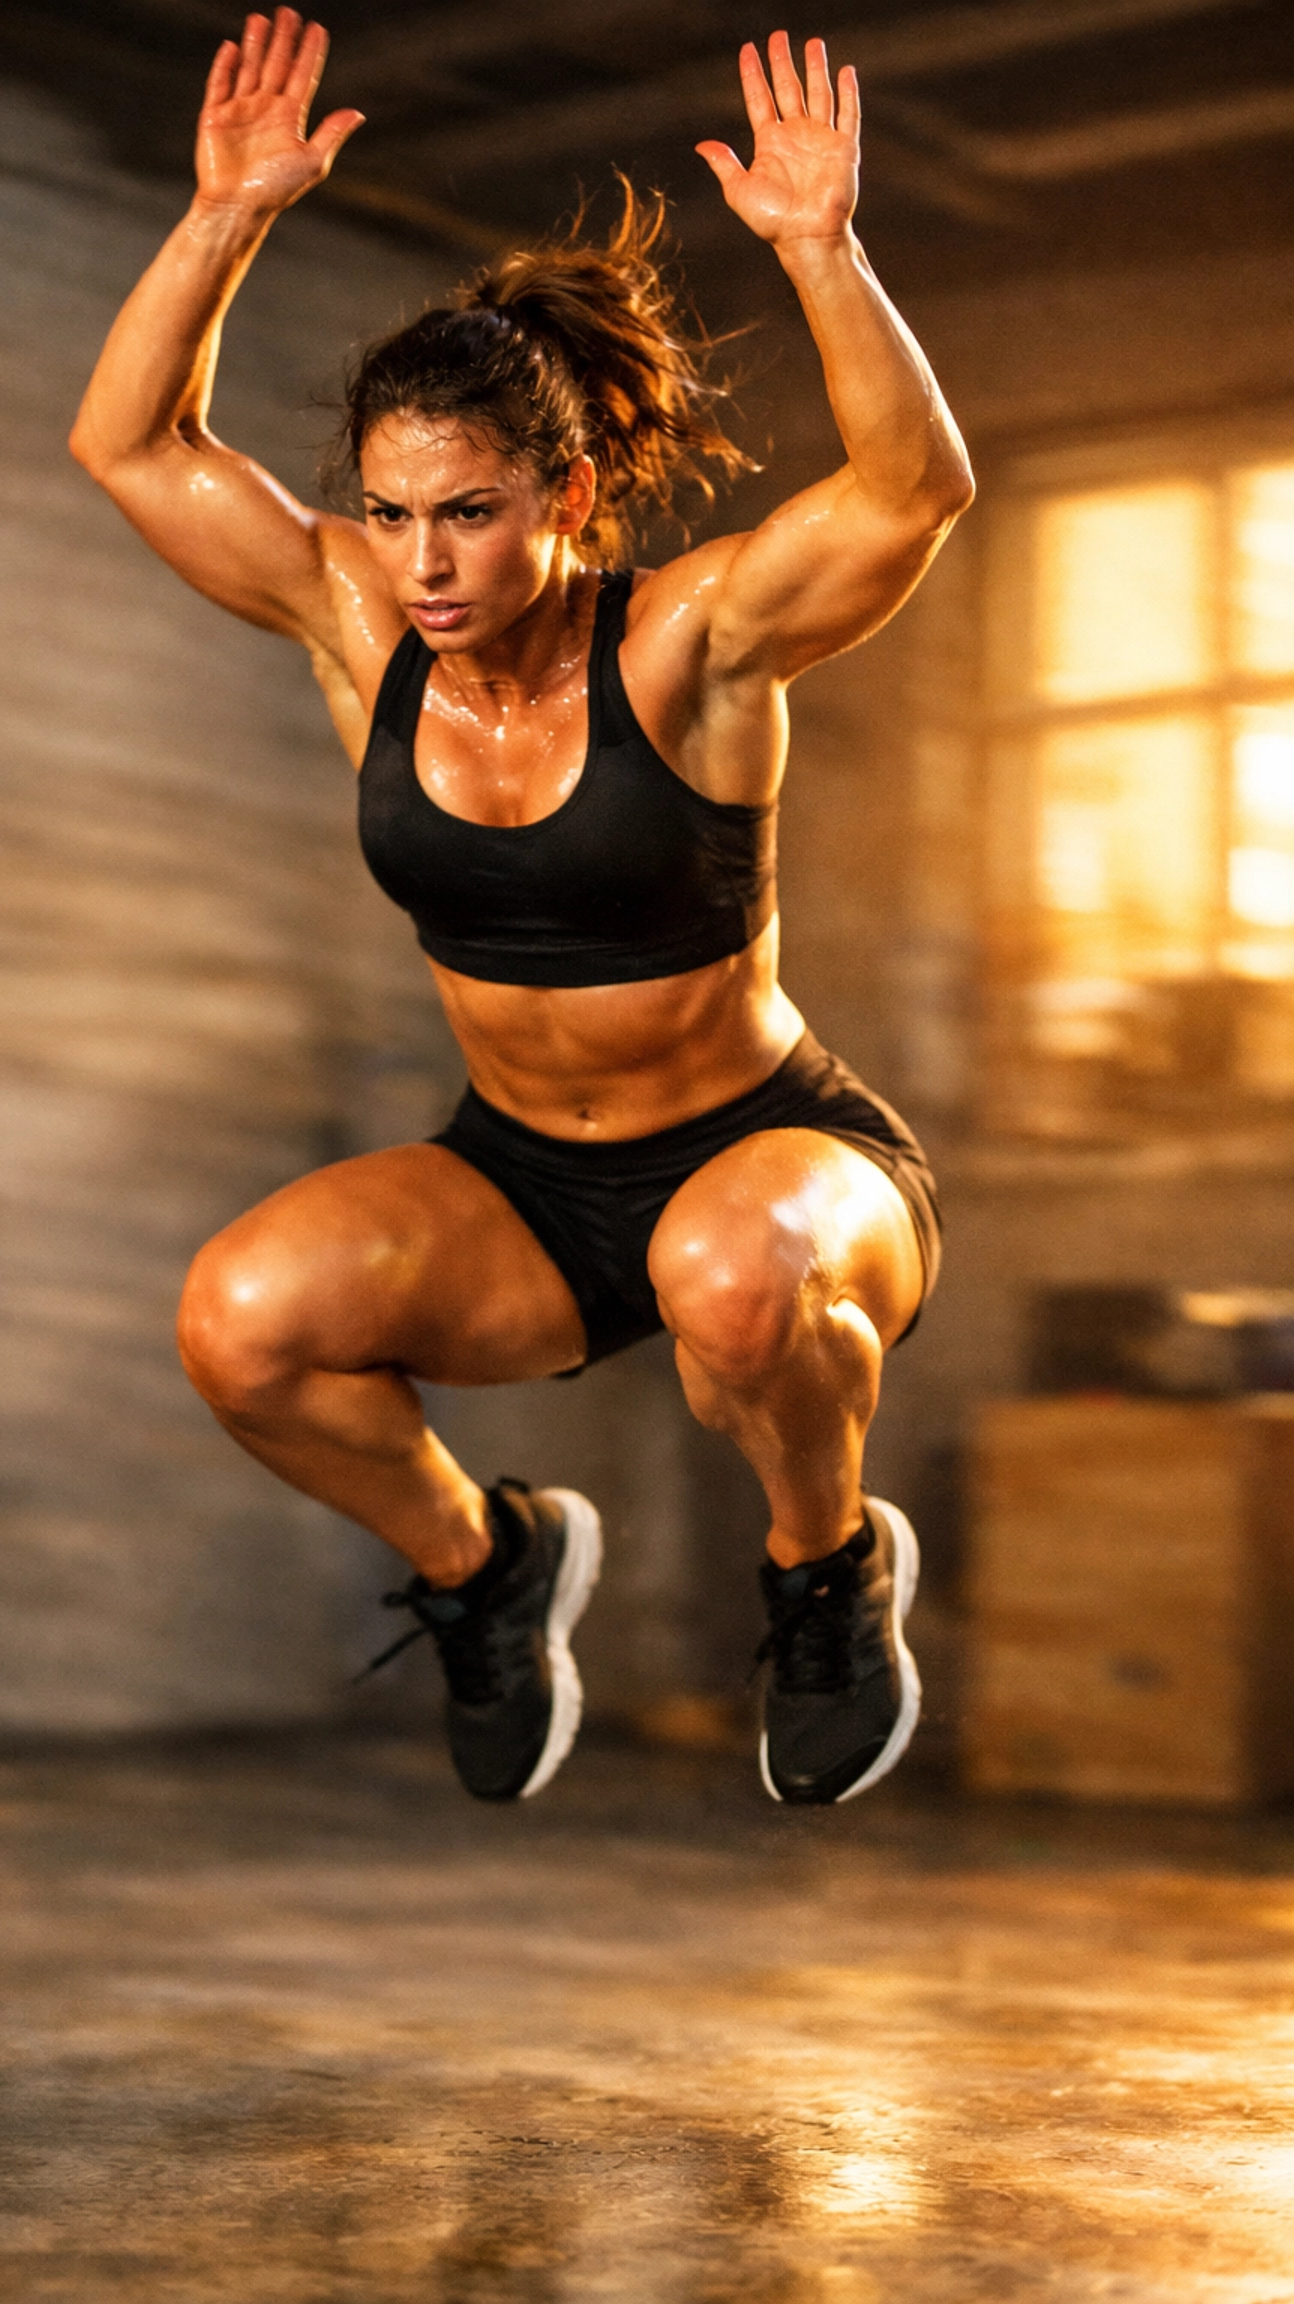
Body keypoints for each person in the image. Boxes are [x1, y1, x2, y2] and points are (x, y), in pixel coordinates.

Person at [70, 9, 973, 1808]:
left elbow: (910, 490)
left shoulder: (695, 638)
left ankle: (825, 1569)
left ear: (566, 499)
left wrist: (820, 248)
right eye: (393, 514)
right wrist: (225, 215)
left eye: (469, 516)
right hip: (524, 1177)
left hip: (775, 1157)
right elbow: (134, 448)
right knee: (238, 1323)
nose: (423, 564)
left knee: (731, 1282)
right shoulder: (361, 631)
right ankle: (491, 1570)